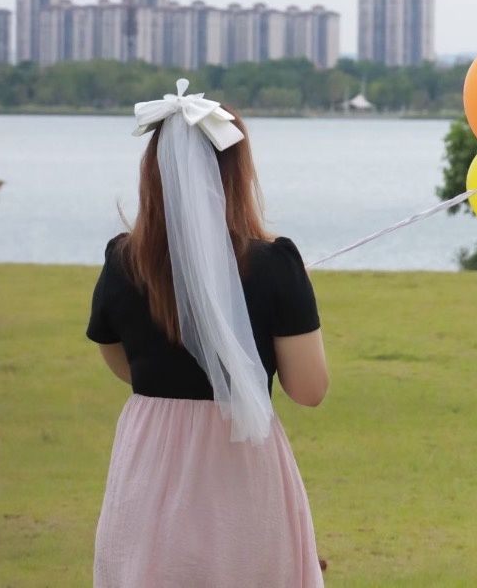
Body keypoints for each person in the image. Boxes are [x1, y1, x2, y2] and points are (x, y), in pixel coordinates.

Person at [86, 80, 328, 587]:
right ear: (236, 174)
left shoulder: (123, 262)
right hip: (237, 462)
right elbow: (309, 389)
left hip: (148, 463)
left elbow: (119, 358)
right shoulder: (274, 265)